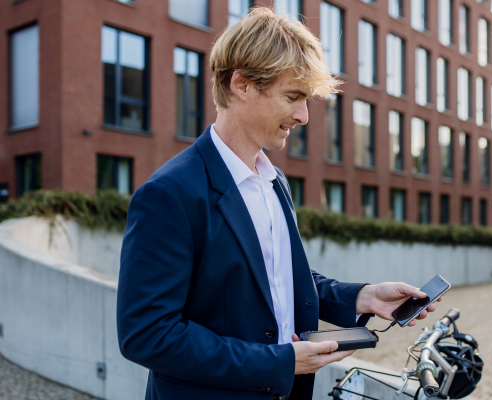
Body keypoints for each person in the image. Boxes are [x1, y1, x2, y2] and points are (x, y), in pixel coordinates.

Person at [116, 7, 439, 400]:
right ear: (243, 84)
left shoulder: (274, 180)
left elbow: (277, 278)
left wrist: (363, 297)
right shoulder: (169, 194)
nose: (303, 116)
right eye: (293, 97)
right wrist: (279, 362)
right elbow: (147, 334)